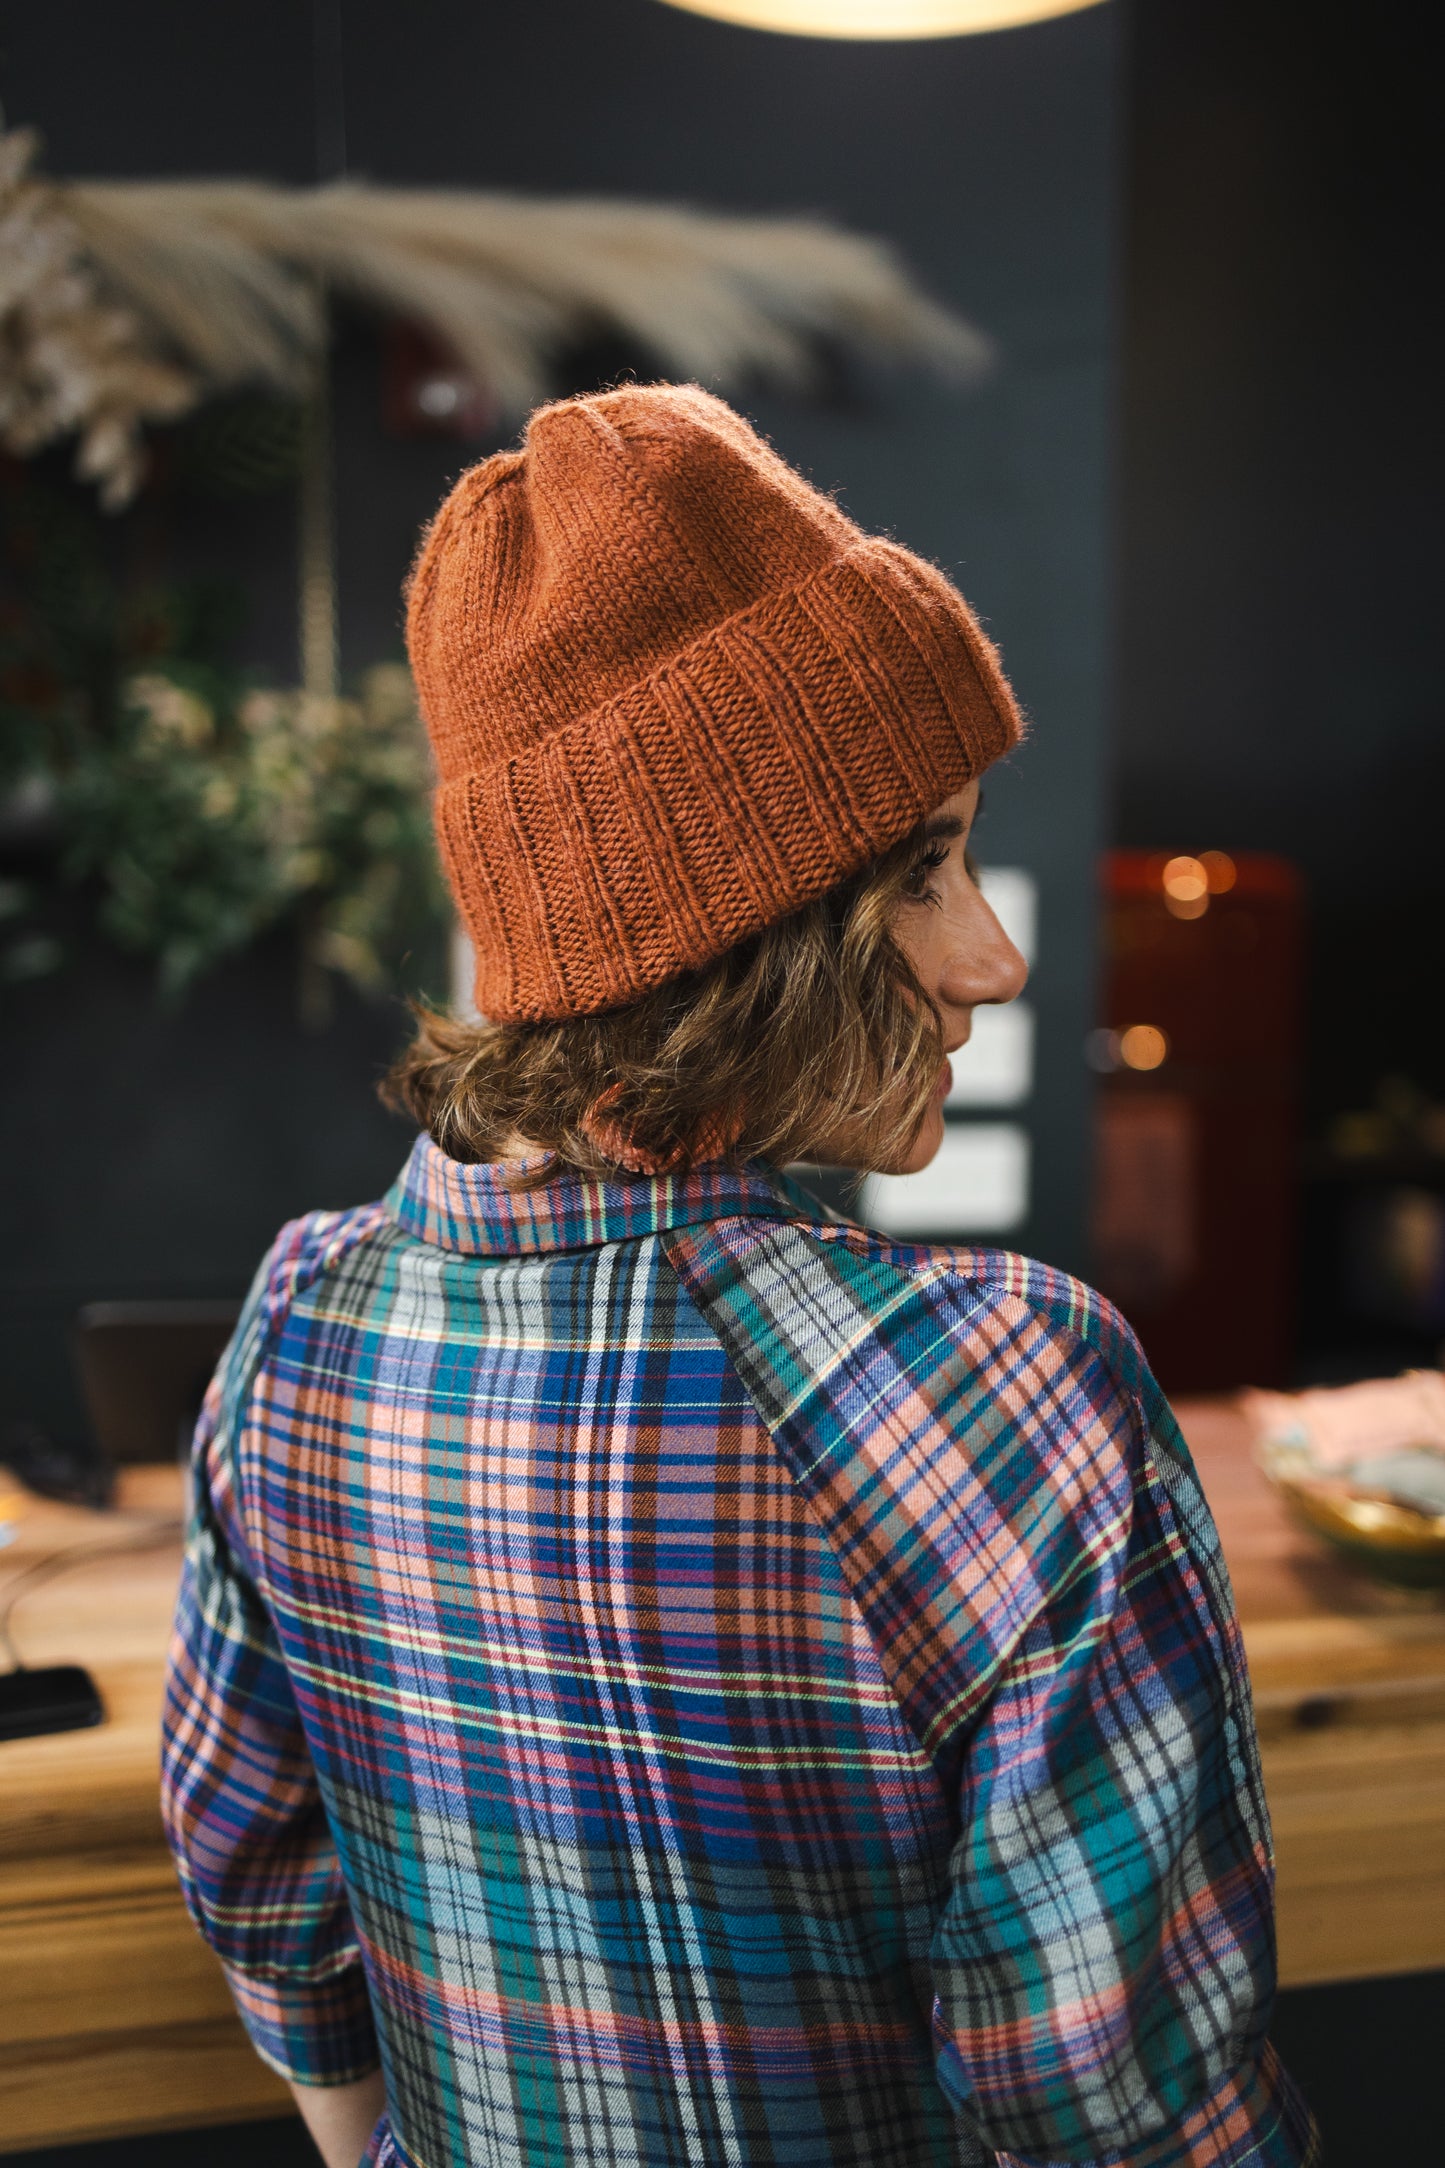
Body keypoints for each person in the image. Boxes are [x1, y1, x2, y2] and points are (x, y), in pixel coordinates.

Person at [162, 384, 1316, 2168]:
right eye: (926, 868)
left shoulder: (300, 1320)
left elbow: (258, 1875)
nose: (995, 956)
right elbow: (1126, 2103)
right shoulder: (1011, 1390)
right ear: (732, 930)